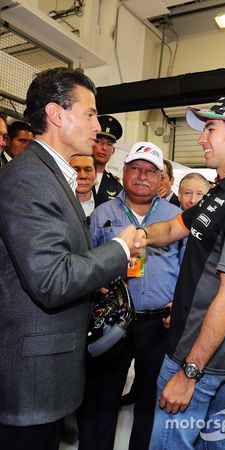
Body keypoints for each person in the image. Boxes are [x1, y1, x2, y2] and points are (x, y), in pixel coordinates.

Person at [0, 67, 140, 450]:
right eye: (91, 113)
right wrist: (121, 250)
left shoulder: (49, 175)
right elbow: (52, 280)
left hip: (48, 372)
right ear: (57, 115)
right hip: (30, 382)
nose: (97, 125)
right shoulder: (29, 178)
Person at [133, 94, 225, 449]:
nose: (201, 138)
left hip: (196, 359)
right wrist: (139, 234)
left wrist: (188, 373)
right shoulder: (222, 191)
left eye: (210, 128)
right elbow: (174, 227)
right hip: (196, 348)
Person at [78, 142, 185, 450]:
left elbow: (188, 266)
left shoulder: (175, 218)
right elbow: (86, 261)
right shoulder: (103, 213)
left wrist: (179, 302)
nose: (142, 176)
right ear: (123, 173)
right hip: (112, 321)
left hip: (159, 323)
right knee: (101, 398)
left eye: (151, 171)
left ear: (161, 179)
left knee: (152, 402)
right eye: (135, 168)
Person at [92, 114, 123, 206]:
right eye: (99, 141)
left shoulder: (116, 186)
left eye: (109, 144)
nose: (104, 148)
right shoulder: (74, 177)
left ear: (113, 151)